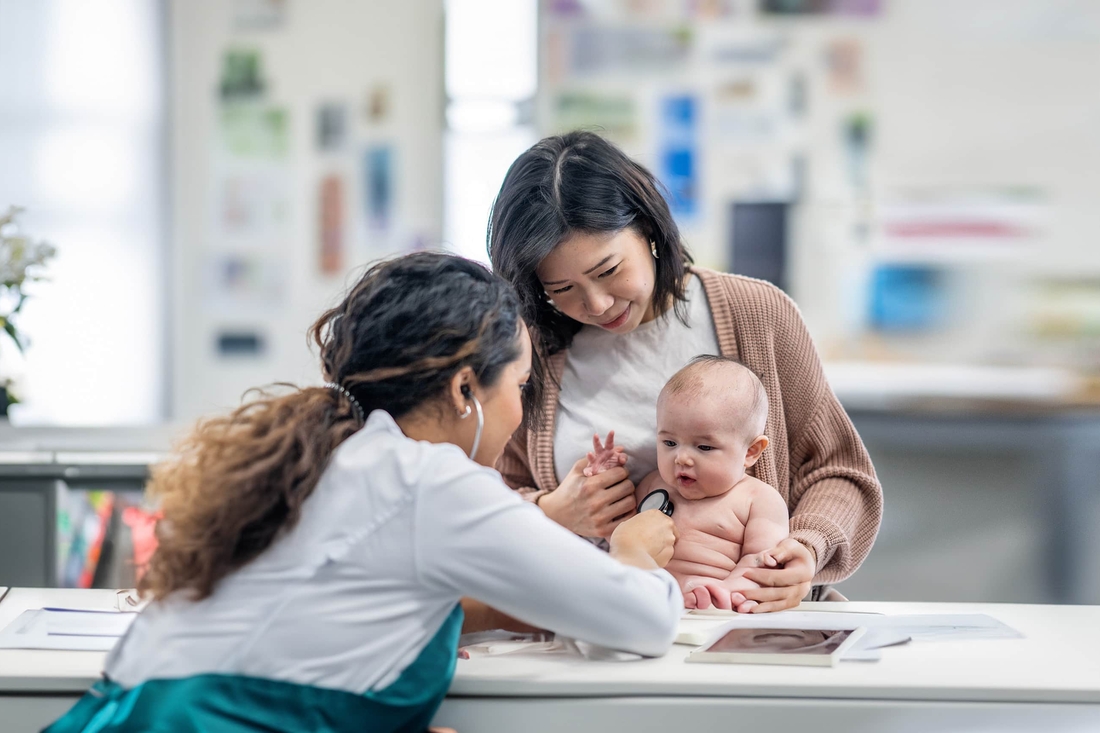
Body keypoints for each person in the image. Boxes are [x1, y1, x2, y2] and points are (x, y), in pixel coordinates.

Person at [46, 253, 681, 733]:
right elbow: (643, 620)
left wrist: (506, 607)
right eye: (519, 385)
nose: (521, 407)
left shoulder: (330, 457)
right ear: (466, 390)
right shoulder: (429, 482)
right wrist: (633, 549)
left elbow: (338, 614)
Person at [488, 130, 884, 613]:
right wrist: (551, 512)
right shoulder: (531, 350)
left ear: (649, 231)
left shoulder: (756, 313)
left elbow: (837, 470)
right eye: (561, 288)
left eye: (609, 270)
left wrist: (805, 547)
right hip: (598, 627)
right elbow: (484, 496)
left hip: (748, 627)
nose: (595, 304)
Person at [635, 356, 789, 611]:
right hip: (649, 607)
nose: (681, 458)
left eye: (704, 447)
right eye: (669, 443)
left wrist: (723, 592)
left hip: (715, 614)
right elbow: (621, 539)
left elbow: (763, 563)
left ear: (751, 451)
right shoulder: (654, 485)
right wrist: (602, 476)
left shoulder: (758, 500)